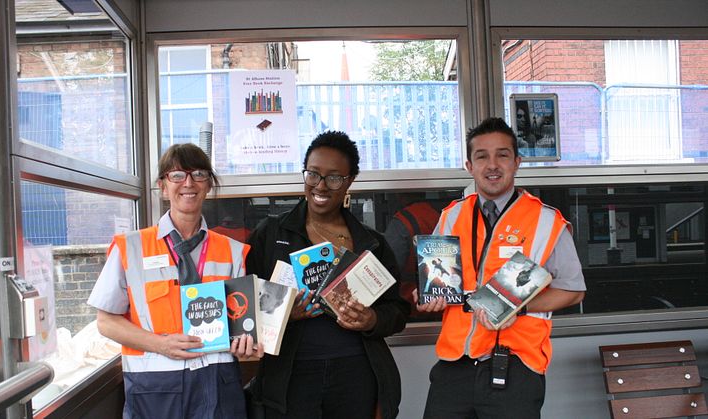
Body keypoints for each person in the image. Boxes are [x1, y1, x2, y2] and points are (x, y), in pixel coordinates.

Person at [417, 117, 585, 419]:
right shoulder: (452, 215)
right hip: (454, 364)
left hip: (515, 365)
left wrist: (516, 308)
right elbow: (440, 280)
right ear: (470, 166)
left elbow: (573, 291)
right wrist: (432, 296)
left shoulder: (546, 221)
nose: (492, 164)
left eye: (502, 155)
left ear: (517, 162)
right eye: (482, 156)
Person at [87, 143, 263, 419]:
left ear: (208, 185)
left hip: (218, 386)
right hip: (154, 388)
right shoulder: (130, 247)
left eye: (199, 174)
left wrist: (246, 343)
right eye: (177, 175)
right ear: (162, 186)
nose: (189, 183)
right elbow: (106, 321)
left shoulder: (233, 251)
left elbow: (241, 323)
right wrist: (161, 344)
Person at [246, 130, 410, 419]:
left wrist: (371, 319)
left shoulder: (370, 243)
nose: (321, 185)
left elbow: (397, 310)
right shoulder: (270, 234)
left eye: (334, 177)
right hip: (290, 375)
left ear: (350, 181)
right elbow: (244, 305)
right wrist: (285, 312)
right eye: (313, 174)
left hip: (356, 372)